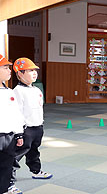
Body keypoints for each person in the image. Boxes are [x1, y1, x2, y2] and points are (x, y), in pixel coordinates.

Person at [9, 58, 52, 193]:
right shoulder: (17, 91)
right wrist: (19, 133)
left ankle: (36, 171)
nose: (34, 73)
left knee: (34, 151)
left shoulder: (36, 90)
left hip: (38, 126)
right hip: (26, 129)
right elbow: (17, 113)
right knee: (16, 156)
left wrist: (40, 125)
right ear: (20, 74)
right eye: (30, 71)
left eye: (35, 70)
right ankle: (8, 182)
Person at [0, 54, 24, 194]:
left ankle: (4, 188)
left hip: (8, 137)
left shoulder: (10, 92)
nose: (10, 70)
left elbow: (17, 115)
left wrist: (19, 133)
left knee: (6, 165)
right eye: (5, 67)